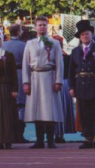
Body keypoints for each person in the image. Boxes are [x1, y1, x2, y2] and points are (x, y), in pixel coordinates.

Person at [22, 16, 64, 149]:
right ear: (35, 27)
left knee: (49, 109)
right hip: (34, 77)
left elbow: (59, 63)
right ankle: (39, 140)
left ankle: (51, 140)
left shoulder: (54, 43)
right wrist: (25, 82)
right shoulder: (30, 44)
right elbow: (25, 64)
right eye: (39, 25)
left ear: (48, 26)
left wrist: (58, 81)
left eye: (44, 25)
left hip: (49, 77)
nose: (42, 27)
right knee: (37, 110)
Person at [68, 20, 95, 149]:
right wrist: (71, 87)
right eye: (82, 35)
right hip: (80, 85)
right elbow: (71, 70)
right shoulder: (75, 51)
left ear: (91, 34)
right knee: (84, 113)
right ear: (79, 37)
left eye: (87, 34)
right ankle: (87, 138)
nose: (85, 37)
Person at [2, 24, 28, 142]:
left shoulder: (3, 45)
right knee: (21, 106)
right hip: (20, 74)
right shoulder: (24, 45)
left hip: (6, 77)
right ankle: (19, 134)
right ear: (18, 32)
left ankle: (8, 134)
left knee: (8, 105)